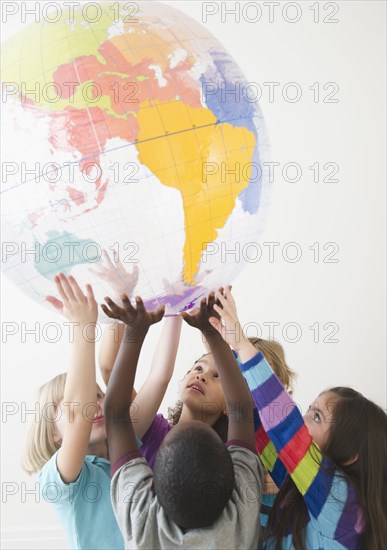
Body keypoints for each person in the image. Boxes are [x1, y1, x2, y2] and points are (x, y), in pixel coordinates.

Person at [210, 286, 387, 550]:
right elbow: (261, 430)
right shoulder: (300, 489)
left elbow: (287, 431)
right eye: (309, 411)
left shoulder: (344, 505)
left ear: (351, 454)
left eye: (316, 417)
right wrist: (219, 342)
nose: (303, 420)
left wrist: (241, 344)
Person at [22, 273, 181, 549]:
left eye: (99, 395)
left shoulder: (124, 446)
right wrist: (84, 326)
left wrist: (177, 305)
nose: (95, 403)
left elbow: (158, 377)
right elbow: (78, 416)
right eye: (72, 403)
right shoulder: (58, 481)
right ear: (52, 433)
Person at [102, 291, 263, 549]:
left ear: (151, 481)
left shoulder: (144, 522)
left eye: (215, 375)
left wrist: (135, 330)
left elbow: (116, 414)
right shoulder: (241, 518)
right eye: (197, 368)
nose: (200, 376)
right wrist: (210, 331)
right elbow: (243, 409)